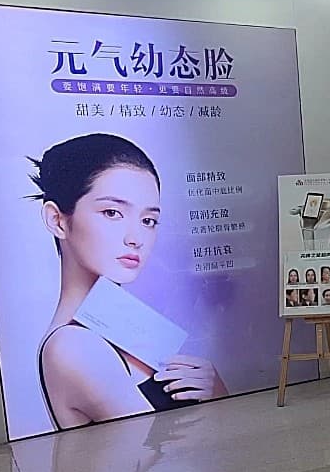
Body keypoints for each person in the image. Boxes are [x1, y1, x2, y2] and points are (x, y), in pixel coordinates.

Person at [32, 133, 228, 430]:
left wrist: (215, 389)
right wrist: (218, 397)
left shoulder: (127, 326)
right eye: (112, 213)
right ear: (57, 220)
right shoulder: (72, 346)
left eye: (148, 220)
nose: (135, 238)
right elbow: (157, 448)